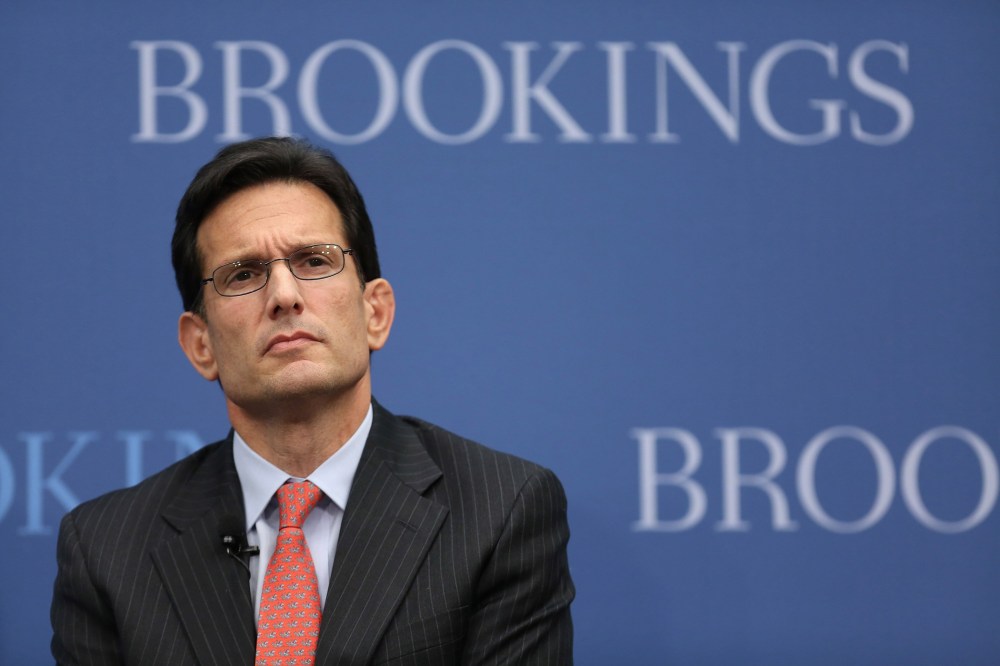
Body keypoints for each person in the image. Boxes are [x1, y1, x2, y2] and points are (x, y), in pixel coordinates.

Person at [50, 137, 575, 665]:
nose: (283, 294)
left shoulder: (499, 511)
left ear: (376, 313)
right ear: (200, 344)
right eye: (244, 274)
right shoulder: (107, 552)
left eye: (314, 261)